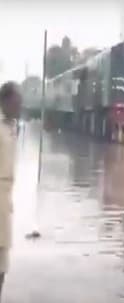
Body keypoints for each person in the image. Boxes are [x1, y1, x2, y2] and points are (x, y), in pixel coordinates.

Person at [0, 81, 21, 298]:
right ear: (5, 101)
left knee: (3, 261)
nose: (19, 108)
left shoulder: (13, 126)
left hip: (5, 200)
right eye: (16, 103)